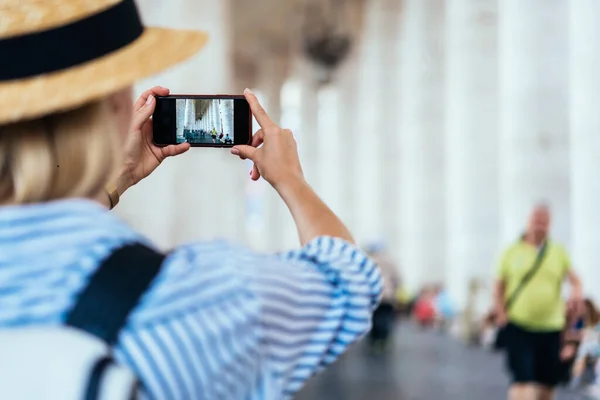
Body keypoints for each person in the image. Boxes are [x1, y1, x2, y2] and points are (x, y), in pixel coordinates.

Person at [0, 1, 383, 399]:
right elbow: (350, 279)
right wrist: (291, 180)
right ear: (115, 100)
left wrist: (113, 185)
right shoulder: (198, 296)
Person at [494, 204, 583, 400]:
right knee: (522, 380)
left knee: (546, 383)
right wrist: (501, 313)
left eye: (544, 222)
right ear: (528, 221)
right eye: (536, 220)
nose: (539, 226)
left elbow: (575, 280)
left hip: (551, 325)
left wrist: (576, 295)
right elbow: (499, 286)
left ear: (549, 225)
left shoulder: (558, 251)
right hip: (519, 324)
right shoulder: (511, 251)